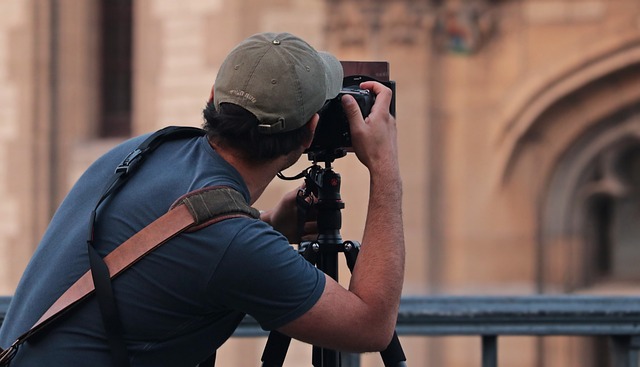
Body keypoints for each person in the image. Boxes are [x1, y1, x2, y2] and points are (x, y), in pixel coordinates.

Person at [0, 32, 404, 366]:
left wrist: (266, 226)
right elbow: (370, 325)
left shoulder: (145, 150)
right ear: (309, 131)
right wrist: (384, 169)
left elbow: (183, 250)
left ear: (213, 97)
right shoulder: (232, 242)